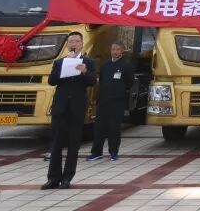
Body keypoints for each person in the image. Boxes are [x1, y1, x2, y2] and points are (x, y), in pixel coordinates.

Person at [43, 31, 96, 190]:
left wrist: (85, 71)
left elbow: (92, 81)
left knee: (73, 144)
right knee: (56, 143)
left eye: (77, 41)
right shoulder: (59, 62)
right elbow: (51, 81)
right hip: (60, 107)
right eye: (71, 41)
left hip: (77, 107)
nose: (74, 44)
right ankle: (53, 178)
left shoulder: (88, 62)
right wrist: (63, 69)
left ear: (81, 44)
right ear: (67, 44)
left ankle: (67, 177)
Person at [87, 41, 133, 162]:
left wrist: (120, 91)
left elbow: (129, 82)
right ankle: (96, 152)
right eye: (113, 49)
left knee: (114, 128)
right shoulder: (105, 65)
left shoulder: (126, 65)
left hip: (117, 102)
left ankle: (113, 152)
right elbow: (102, 81)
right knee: (99, 127)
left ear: (122, 51)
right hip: (103, 101)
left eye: (117, 49)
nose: (115, 52)